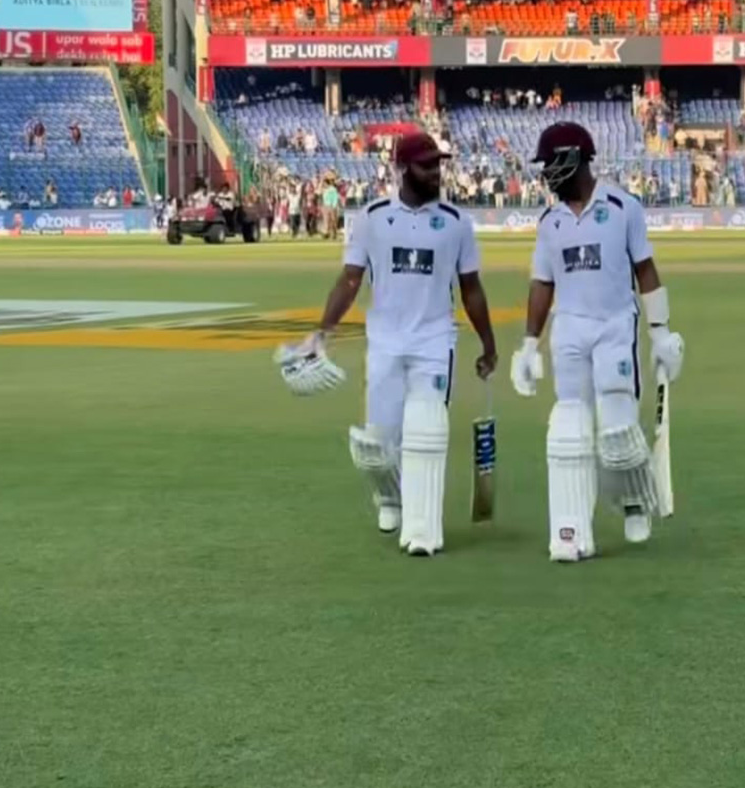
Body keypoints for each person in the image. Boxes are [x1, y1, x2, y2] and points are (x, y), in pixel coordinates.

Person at [280, 132, 498, 557]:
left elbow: (471, 288)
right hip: (384, 343)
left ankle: (422, 525)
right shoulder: (373, 218)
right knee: (377, 443)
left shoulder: (455, 222)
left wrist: (488, 344)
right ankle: (390, 497)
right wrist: (321, 332)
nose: (436, 172)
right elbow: (349, 280)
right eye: (426, 165)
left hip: (435, 342)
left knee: (426, 431)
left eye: (438, 164)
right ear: (402, 169)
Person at [509, 121, 686, 563]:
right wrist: (529, 344)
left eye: (551, 163)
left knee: (617, 425)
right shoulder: (549, 222)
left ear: (573, 157)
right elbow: (541, 283)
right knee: (571, 428)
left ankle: (631, 501)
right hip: (568, 330)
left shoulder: (623, 207)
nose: (547, 173)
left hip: (614, 327)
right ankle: (574, 527)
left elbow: (645, 269)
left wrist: (660, 332)